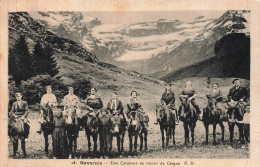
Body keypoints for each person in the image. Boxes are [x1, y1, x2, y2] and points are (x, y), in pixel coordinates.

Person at [9, 92, 30, 157]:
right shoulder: (14, 103)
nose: (18, 97)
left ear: (21, 96)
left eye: (19, 96)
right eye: (17, 96)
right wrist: (14, 116)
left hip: (22, 116)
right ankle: (10, 136)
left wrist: (24, 116)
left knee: (26, 124)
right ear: (16, 97)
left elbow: (27, 110)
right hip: (15, 117)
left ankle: (25, 136)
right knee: (9, 124)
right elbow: (12, 111)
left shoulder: (24, 102)